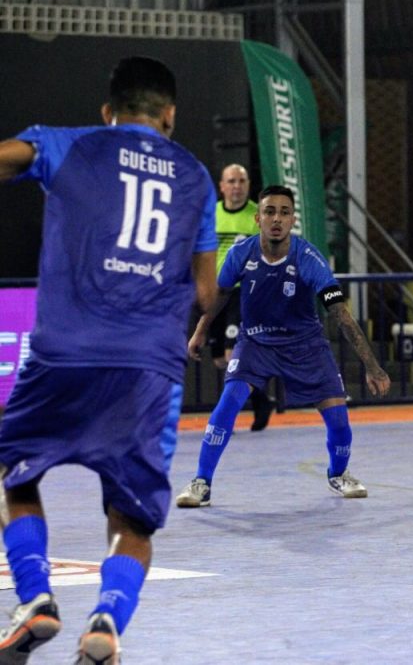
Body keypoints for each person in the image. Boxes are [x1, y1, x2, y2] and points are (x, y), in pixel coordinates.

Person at [0, 56, 218, 663]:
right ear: (169, 116)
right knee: (133, 520)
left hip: (64, 350)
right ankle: (106, 621)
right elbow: (204, 294)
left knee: (12, 472)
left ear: (109, 112)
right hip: (148, 365)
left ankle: (36, 598)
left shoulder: (68, 145)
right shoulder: (196, 178)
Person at [175, 184, 391, 509]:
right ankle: (202, 482)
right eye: (270, 212)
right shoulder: (241, 254)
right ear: (258, 218)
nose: (277, 219)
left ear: (293, 221)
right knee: (227, 405)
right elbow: (220, 295)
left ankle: (339, 474)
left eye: (285, 213)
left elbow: (341, 315)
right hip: (256, 342)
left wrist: (372, 366)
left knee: (339, 421)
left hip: (305, 345)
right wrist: (200, 331)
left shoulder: (307, 259)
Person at [208, 163, 274, 431]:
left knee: (231, 351)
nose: (236, 186)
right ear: (222, 186)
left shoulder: (256, 217)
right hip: (215, 292)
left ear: (248, 186)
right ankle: (260, 399)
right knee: (219, 359)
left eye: (241, 181)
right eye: (231, 181)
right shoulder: (210, 215)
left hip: (244, 292)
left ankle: (225, 417)